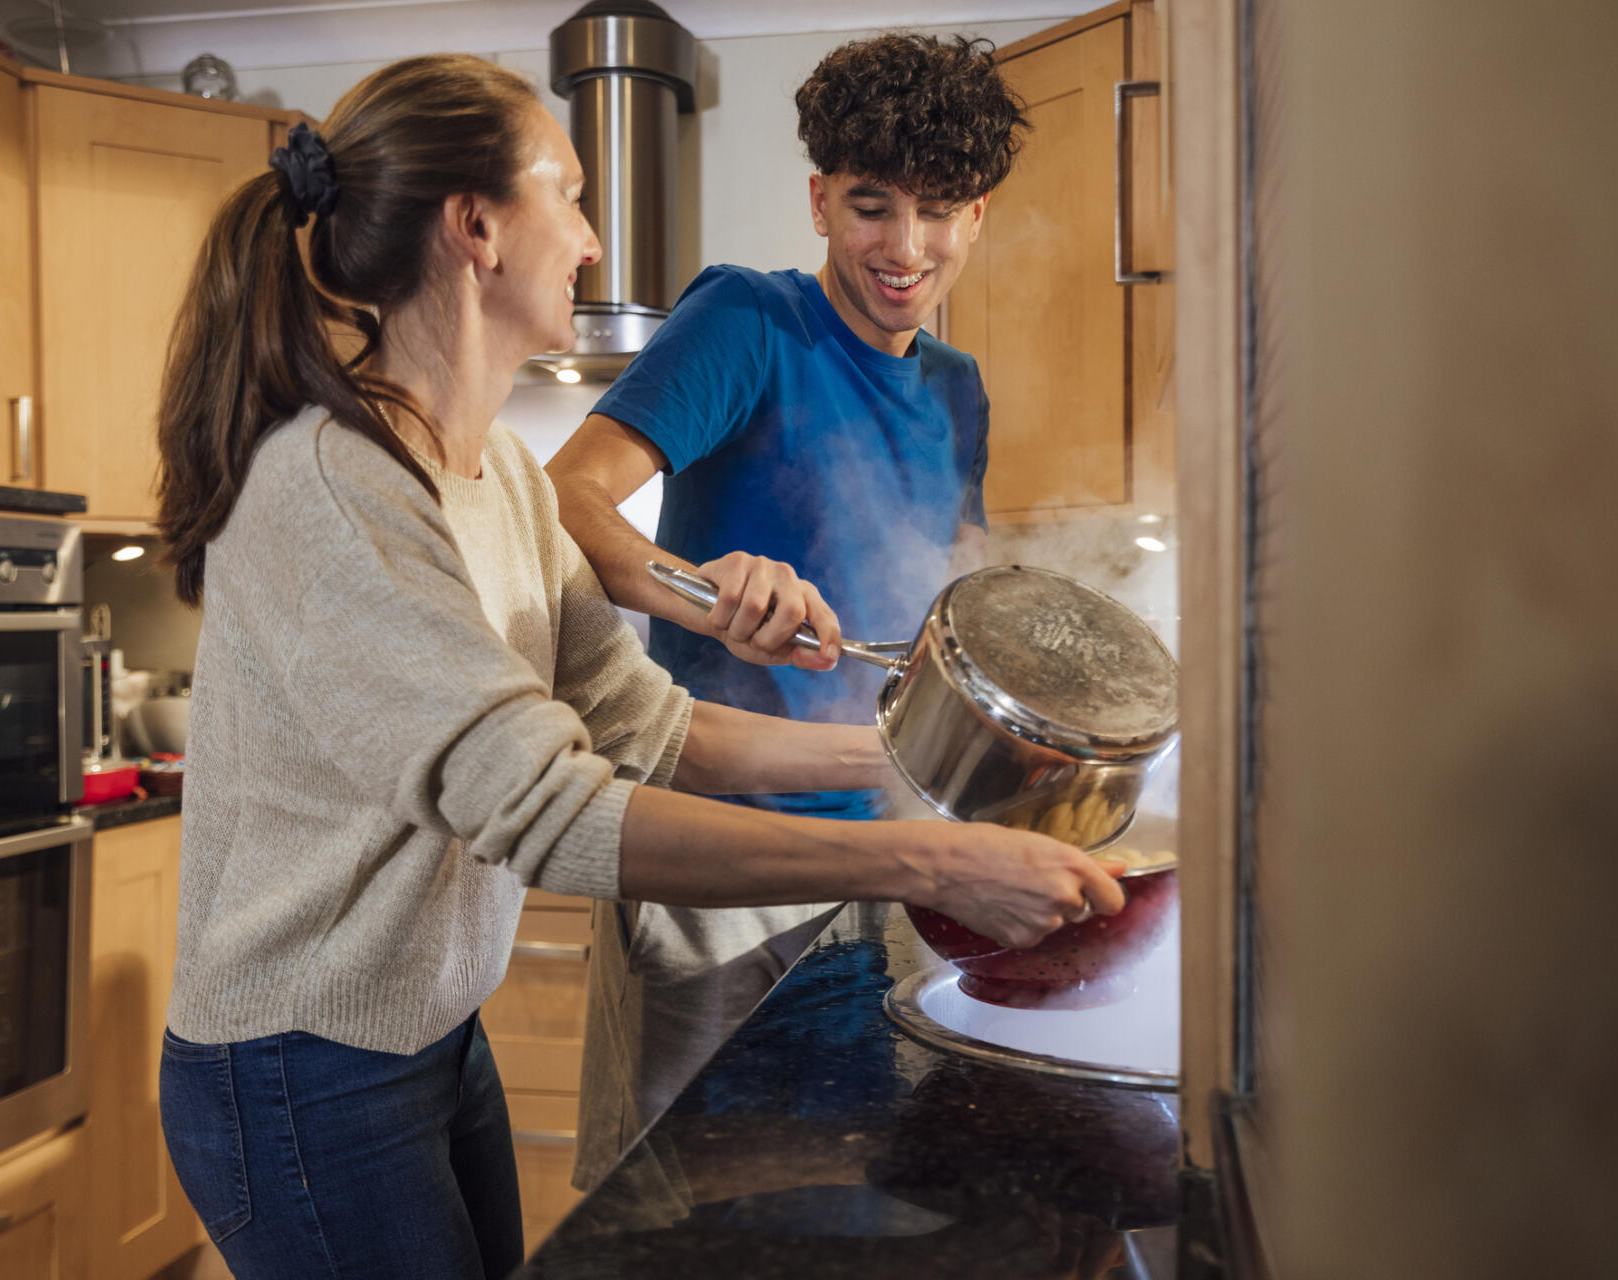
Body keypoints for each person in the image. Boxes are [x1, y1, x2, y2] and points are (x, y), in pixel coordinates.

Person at [151, 53, 1118, 1280]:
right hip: (296, 1066)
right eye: (571, 193)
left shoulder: (492, 470)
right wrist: (931, 850)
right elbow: (547, 805)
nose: (598, 243)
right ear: (478, 228)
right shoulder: (333, 487)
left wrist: (949, 770)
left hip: (427, 1036)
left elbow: (647, 723)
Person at [544, 33, 1028, 1188]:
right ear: (820, 201)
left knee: (845, 1188)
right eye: (872, 206)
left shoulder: (959, 389)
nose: (905, 248)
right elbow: (559, 499)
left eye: (940, 209)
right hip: (721, 858)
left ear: (980, 218)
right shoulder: (748, 322)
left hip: (895, 849)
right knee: (677, 1200)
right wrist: (706, 596)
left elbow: (945, 606)